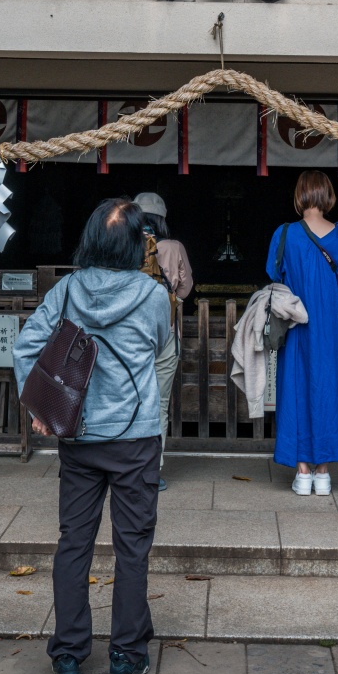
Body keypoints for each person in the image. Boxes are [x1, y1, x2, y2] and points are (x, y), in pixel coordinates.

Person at [12, 197, 170, 674]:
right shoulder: (153, 295)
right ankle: (126, 655)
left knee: (74, 543)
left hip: (79, 434)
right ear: (135, 245)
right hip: (135, 437)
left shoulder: (67, 289)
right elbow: (161, 346)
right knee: (132, 547)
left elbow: (25, 346)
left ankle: (67, 654)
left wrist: (40, 409)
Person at [265, 169, 338, 494]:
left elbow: (274, 273)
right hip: (328, 324)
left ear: (300, 195)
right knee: (328, 389)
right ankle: (324, 472)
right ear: (327, 195)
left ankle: (302, 472)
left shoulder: (284, 233)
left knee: (295, 388)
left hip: (296, 322)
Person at [133, 190, 194, 490]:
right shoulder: (174, 247)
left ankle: (125, 467)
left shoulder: (127, 245)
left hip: (130, 334)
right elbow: (186, 287)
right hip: (166, 333)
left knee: (129, 398)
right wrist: (173, 300)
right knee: (158, 403)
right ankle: (151, 471)